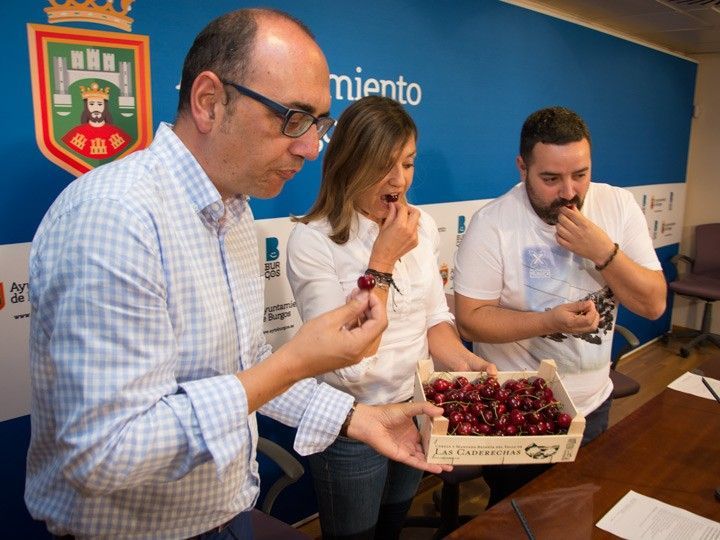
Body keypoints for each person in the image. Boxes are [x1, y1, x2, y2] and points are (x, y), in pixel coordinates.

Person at [25, 10, 450, 539]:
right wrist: (298, 360)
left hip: (225, 513)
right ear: (209, 101)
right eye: (292, 118)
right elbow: (105, 454)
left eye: (319, 124)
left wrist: (356, 419)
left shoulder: (236, 214)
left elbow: (244, 369)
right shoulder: (116, 218)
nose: (310, 147)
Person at [286, 95, 497, 539]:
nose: (399, 180)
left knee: (393, 527)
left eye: (408, 163)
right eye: (385, 164)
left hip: (413, 407)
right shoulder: (311, 241)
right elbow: (348, 355)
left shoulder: (420, 227)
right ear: (350, 163)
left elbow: (434, 317)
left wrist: (464, 362)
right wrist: (381, 262)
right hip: (351, 427)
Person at [453, 106, 666, 506]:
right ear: (522, 167)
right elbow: (471, 321)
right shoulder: (493, 223)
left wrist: (603, 252)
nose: (569, 192)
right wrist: (547, 321)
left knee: (580, 509)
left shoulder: (618, 206)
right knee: (517, 518)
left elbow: (653, 304)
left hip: (592, 404)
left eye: (580, 175)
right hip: (520, 411)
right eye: (550, 178)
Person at [61, 81, 131, 159]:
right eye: (91, 104)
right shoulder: (75, 133)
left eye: (100, 104)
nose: (96, 108)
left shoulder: (117, 133)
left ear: (105, 107)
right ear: (86, 107)